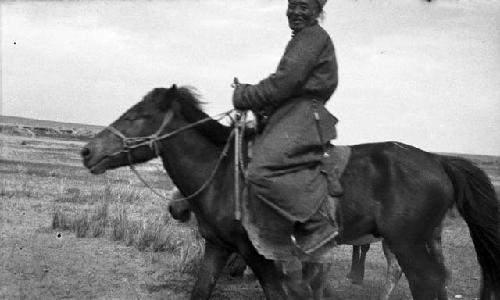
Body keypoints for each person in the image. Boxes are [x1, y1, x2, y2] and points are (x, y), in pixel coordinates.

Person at [232, 0, 341, 254]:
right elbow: (284, 85)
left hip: (302, 114)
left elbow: (284, 83)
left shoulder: (312, 37)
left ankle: (315, 225)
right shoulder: (304, 38)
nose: (295, 12)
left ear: (318, 12)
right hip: (292, 111)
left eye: (304, 6)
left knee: (260, 171)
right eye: (292, 5)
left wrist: (244, 95)